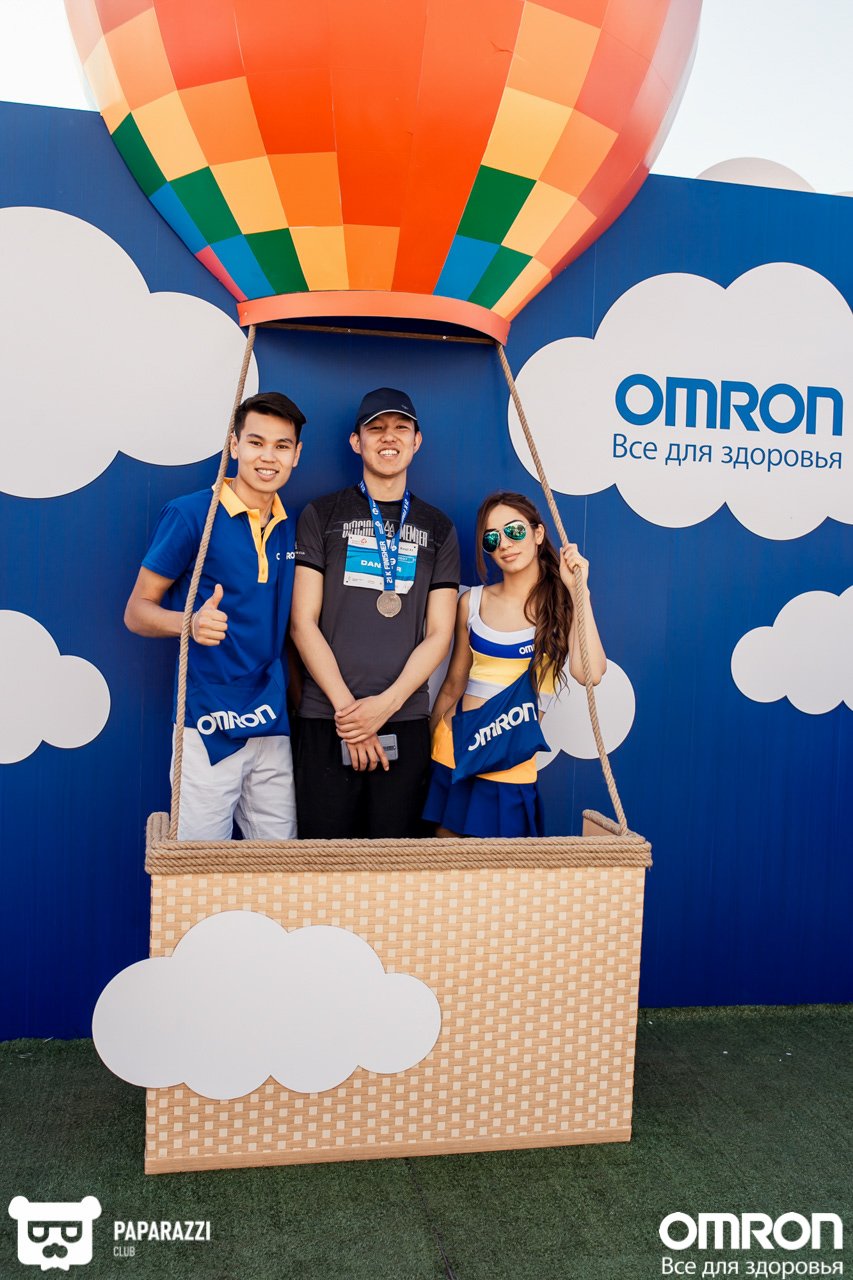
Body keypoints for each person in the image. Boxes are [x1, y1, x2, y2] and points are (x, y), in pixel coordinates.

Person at [124, 391, 306, 841]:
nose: (268, 457)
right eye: (256, 442)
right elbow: (136, 611)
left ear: (296, 454)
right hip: (206, 720)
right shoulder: (191, 514)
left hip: (270, 719)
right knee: (201, 862)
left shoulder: (292, 524)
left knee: (279, 863)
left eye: (282, 446)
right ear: (234, 445)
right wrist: (188, 623)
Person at [290, 387, 459, 838]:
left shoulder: (438, 527)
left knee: (397, 869)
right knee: (324, 866)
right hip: (328, 718)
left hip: (403, 718)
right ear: (356, 441)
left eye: (401, 428)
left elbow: (440, 634)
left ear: (416, 441)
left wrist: (384, 707)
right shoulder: (321, 514)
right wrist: (353, 717)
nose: (389, 437)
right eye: (376, 428)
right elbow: (302, 622)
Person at [424, 491, 607, 838]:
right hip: (454, 753)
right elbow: (453, 685)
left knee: (504, 871)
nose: (504, 544)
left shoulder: (563, 604)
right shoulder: (472, 602)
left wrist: (578, 591)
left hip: (511, 764)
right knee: (446, 868)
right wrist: (427, 752)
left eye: (514, 531)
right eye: (492, 539)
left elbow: (590, 673)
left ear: (538, 534)